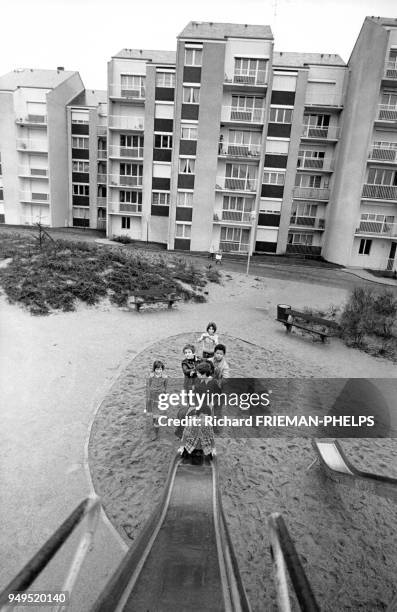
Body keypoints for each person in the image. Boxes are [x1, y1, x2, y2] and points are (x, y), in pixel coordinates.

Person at [178, 362, 217, 463]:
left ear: (204, 374)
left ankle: (205, 449)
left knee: (205, 429)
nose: (197, 374)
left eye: (199, 373)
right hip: (197, 405)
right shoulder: (198, 380)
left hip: (206, 407)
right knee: (189, 424)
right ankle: (187, 447)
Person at [146, 360, 167, 441]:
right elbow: (150, 385)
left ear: (162, 369)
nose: (159, 371)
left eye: (160, 369)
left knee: (157, 416)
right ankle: (154, 423)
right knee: (153, 414)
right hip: (152, 397)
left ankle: (156, 433)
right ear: (154, 369)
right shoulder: (151, 376)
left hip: (160, 398)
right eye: (157, 369)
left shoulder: (165, 377)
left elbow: (165, 388)